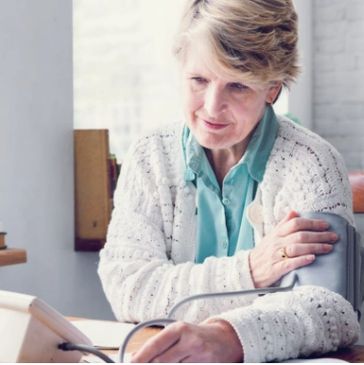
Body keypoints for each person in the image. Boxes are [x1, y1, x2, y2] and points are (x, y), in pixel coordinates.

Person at [98, 0, 360, 362]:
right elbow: (128, 288)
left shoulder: (312, 162)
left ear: (272, 89)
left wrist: (227, 338)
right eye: (199, 80)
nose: (211, 106)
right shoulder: (150, 157)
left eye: (237, 86)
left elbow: (329, 309)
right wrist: (250, 270)